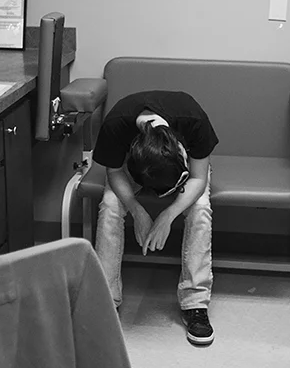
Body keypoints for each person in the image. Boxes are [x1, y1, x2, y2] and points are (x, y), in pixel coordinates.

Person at [93, 90, 218, 345]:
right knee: (110, 204)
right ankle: (106, 300)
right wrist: (136, 209)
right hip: (134, 165)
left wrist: (168, 214)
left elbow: (198, 177)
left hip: (186, 169)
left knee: (200, 207)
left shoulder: (193, 119)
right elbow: (114, 172)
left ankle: (195, 304)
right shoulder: (115, 125)